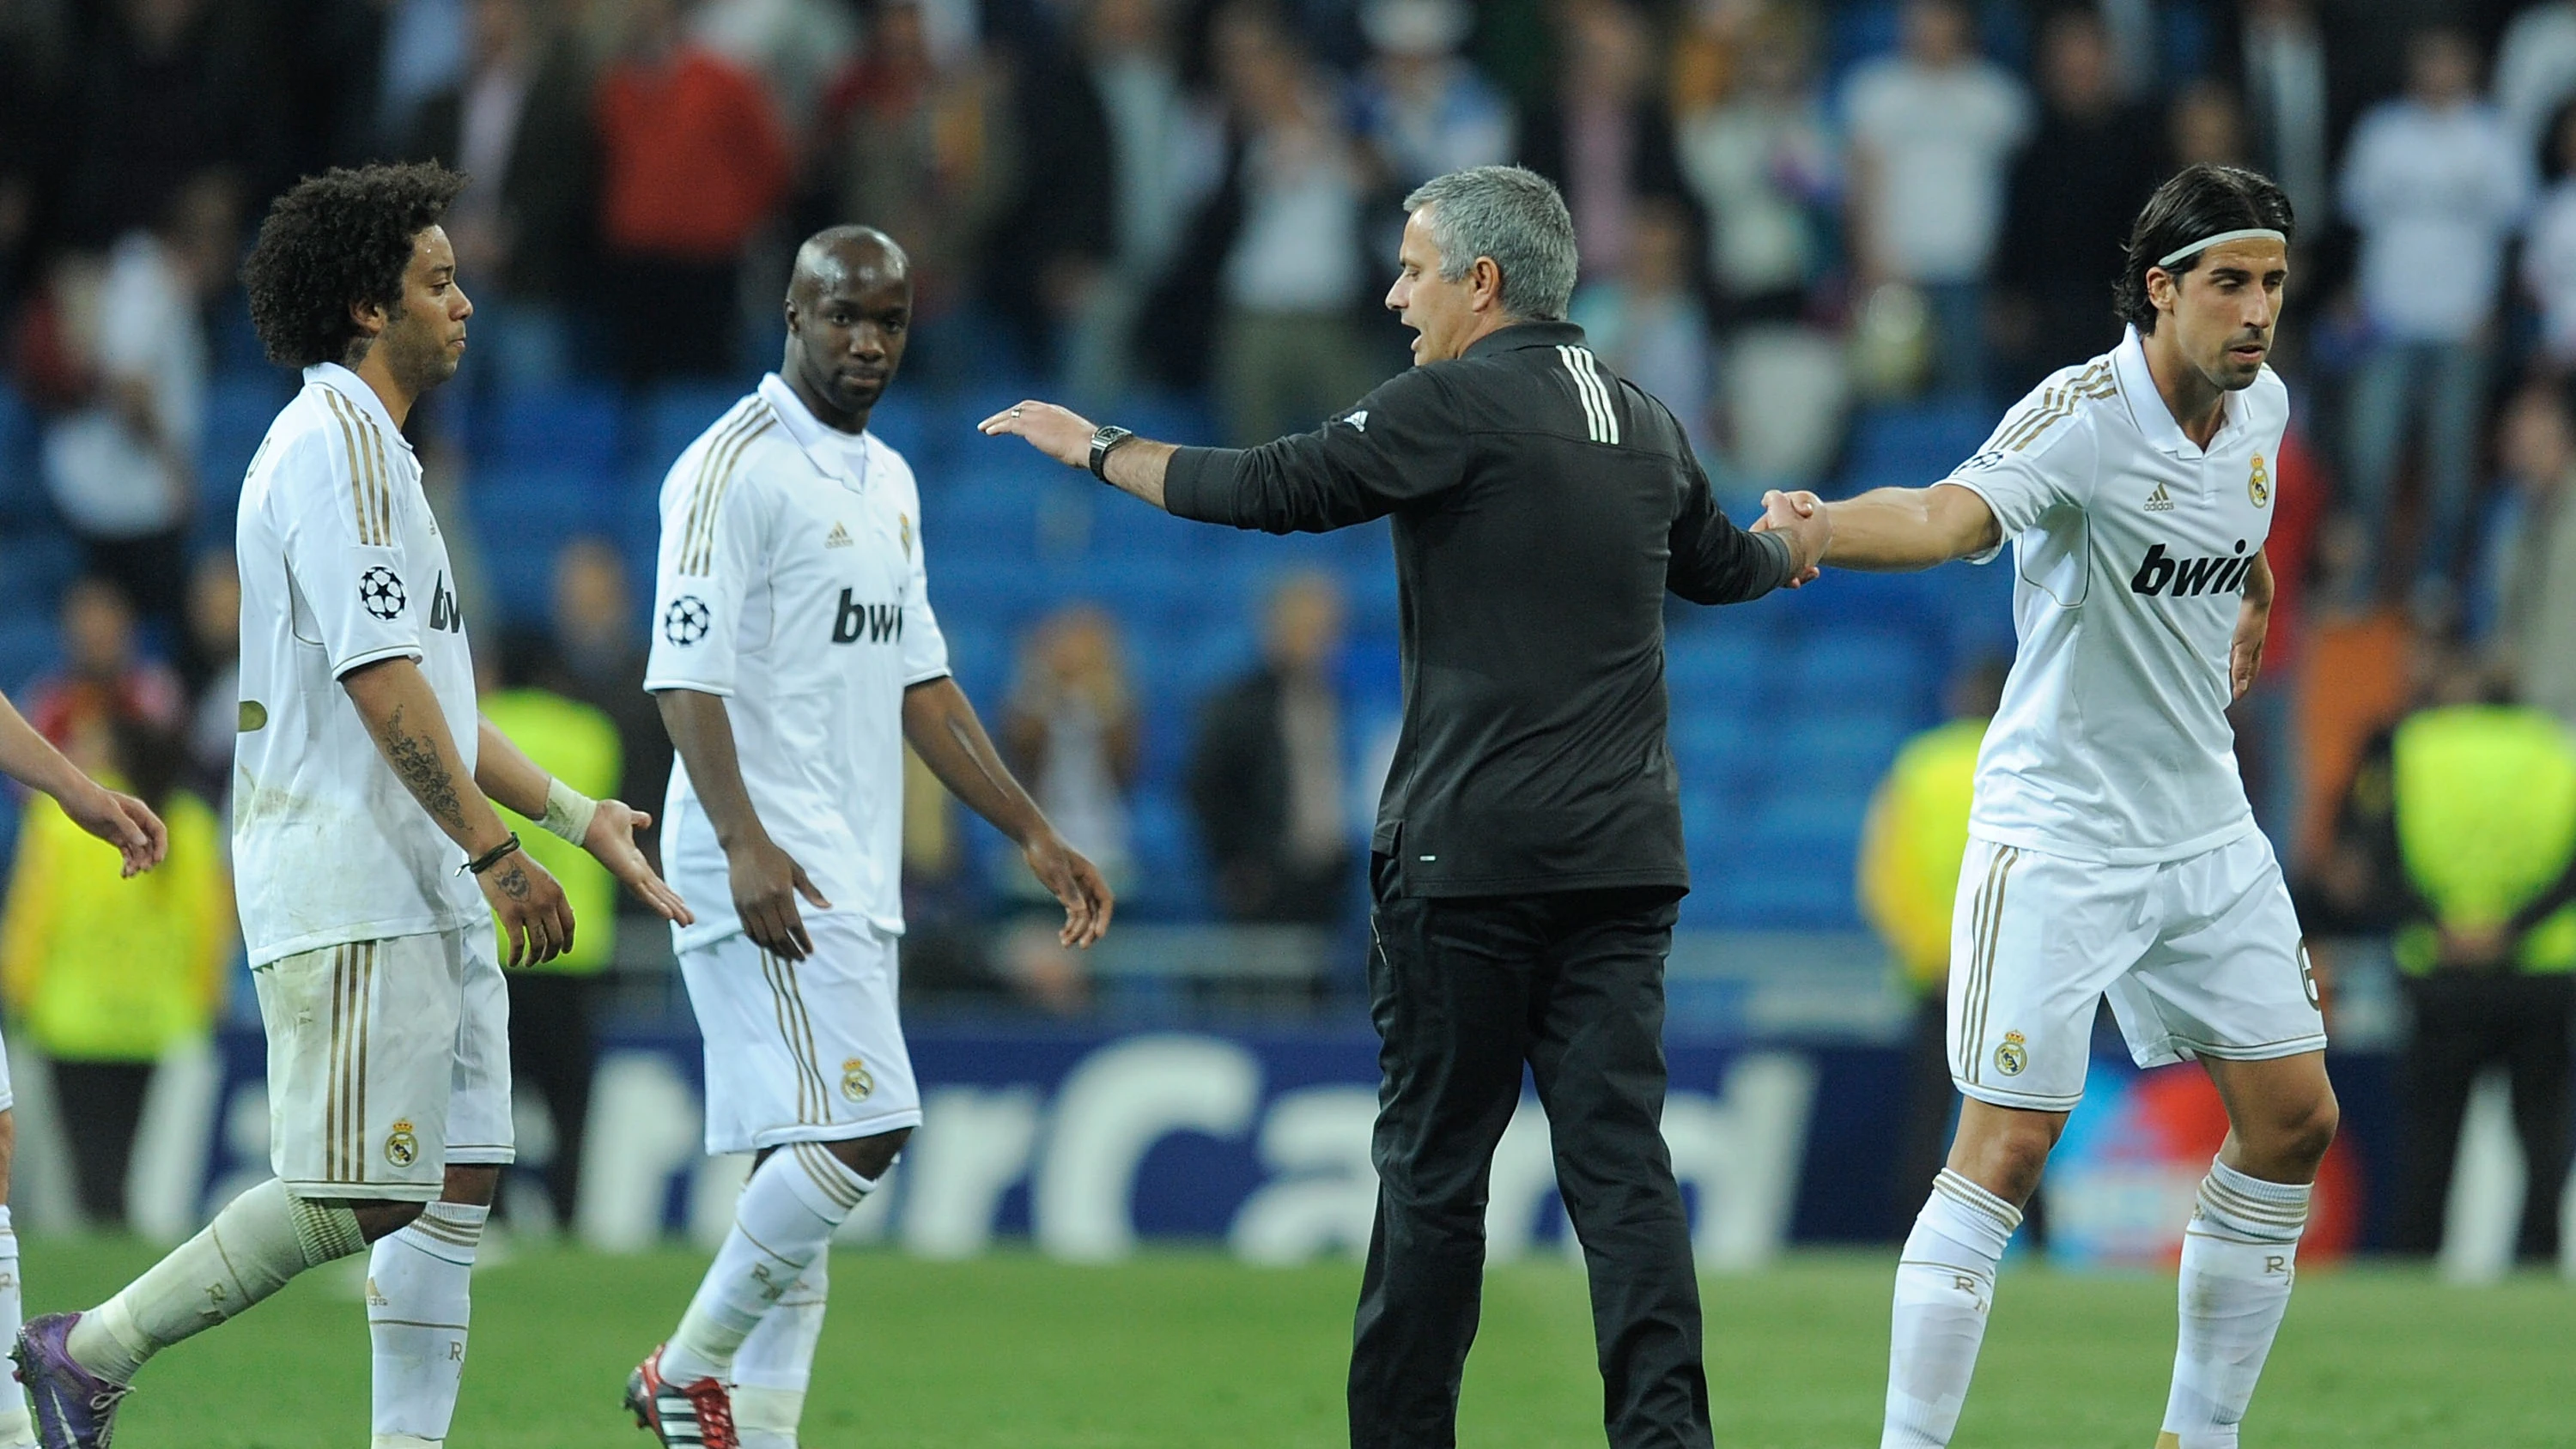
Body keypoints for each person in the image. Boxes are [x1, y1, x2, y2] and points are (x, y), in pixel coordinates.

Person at [981, 164, 1822, 1449]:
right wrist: (1793, 545)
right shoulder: (1645, 417)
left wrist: (1097, 447)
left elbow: (1270, 487)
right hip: (1620, 863)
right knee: (1625, 1176)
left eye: (1415, 268)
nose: (1394, 294)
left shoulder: (1457, 402)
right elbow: (1725, 567)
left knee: (1434, 1183)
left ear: (1482, 284)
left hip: (1471, 864)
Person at [13, 161, 690, 1449]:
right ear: (368, 309)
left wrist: (573, 814)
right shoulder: (337, 454)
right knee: (362, 1190)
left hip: (422, 869)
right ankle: (88, 1351)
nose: (467, 304)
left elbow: (433, 695)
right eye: (440, 282)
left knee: (461, 1175)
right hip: (355, 870)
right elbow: (382, 691)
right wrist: (498, 857)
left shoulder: (383, 458)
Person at [1751, 164, 2331, 1449]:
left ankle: (2200, 1435)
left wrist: (2252, 593)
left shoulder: (2263, 408)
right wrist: (1820, 529)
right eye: (2231, 283)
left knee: (2296, 1122)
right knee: (2007, 1152)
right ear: (2162, 289)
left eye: (2274, 284)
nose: (2258, 313)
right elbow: (1950, 517)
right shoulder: (2078, 416)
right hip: (2062, 831)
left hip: (2204, 826)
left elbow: (2229, 537)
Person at [624, 226, 1111, 1449]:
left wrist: (1033, 832)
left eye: (889, 321)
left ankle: (749, 1429)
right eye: (843, 315)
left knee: (803, 1162)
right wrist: (742, 843)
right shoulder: (729, 467)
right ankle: (686, 1373)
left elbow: (925, 689)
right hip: (760, 852)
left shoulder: (887, 481)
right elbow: (684, 673)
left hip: (849, 854)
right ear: (790, 314)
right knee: (866, 1125)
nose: (867, 341)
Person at [2317, 650, 2576, 1264]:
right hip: (2540, 972)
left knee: (2430, 1136)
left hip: (2439, 972)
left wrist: (2443, 925)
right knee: (2542, 1130)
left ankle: (2416, 1258)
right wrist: (2511, 927)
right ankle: (2537, 1257)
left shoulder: (2411, 748)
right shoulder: (2556, 748)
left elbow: (2370, 860)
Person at [0, 685, 164, 1449]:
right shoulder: (187, 828)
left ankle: (9, 1424)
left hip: (88, 1019)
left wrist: (75, 788)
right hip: (117, 1021)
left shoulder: (66, 828)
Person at [0, 711, 228, 1230]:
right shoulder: (191, 824)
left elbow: (30, 919)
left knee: (83, 1191)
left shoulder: (60, 821)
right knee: (143, 1191)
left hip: (72, 1023)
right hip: (163, 1027)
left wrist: (18, 991)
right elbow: (212, 930)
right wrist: (207, 1004)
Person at [2334, 27, 2530, 618]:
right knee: (2369, 453)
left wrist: (2495, 310)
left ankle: (2435, 579)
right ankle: (2370, 575)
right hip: (2387, 321)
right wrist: (2351, 295)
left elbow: (2515, 233)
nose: (2437, 70)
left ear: (2468, 66)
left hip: (2460, 324)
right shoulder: (2382, 132)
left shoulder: (2493, 137)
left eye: (2448, 59)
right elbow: (2353, 222)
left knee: (2450, 464)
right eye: (2428, 58)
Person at [1856, 660, 2002, 1239]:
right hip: (2009, 974)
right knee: (2024, 1111)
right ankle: (2037, 1244)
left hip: (1936, 977)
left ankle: (1916, 1242)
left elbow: (1884, 877)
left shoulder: (1918, 766)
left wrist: (1930, 954)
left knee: (1927, 1117)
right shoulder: (2033, 757)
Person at [1841, 0, 2031, 397]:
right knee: (1894, 397)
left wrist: (2007, 272)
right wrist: (1868, 256)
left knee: (1965, 394)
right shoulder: (1876, 92)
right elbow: (1861, 183)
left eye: (1941, 16)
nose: (1930, 27)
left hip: (1970, 271)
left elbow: (2020, 191)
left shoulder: (1996, 96)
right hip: (1896, 271)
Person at [1186, 571, 1353, 926]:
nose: (1320, 641)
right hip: (1267, 879)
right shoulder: (1239, 704)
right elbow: (1205, 786)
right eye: (1306, 628)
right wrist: (1238, 862)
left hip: (1329, 876)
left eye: (1327, 629)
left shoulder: (1333, 699)